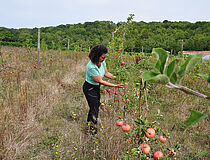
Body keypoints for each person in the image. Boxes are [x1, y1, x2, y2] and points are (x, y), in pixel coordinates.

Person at [82, 44, 124, 134]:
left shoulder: (102, 62)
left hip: (96, 87)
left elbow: (106, 73)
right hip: (89, 88)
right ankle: (92, 130)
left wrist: (116, 78)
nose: (104, 59)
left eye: (105, 57)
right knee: (95, 108)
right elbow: (100, 81)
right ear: (97, 56)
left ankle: (89, 125)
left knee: (95, 106)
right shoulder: (91, 67)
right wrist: (114, 86)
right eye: (102, 57)